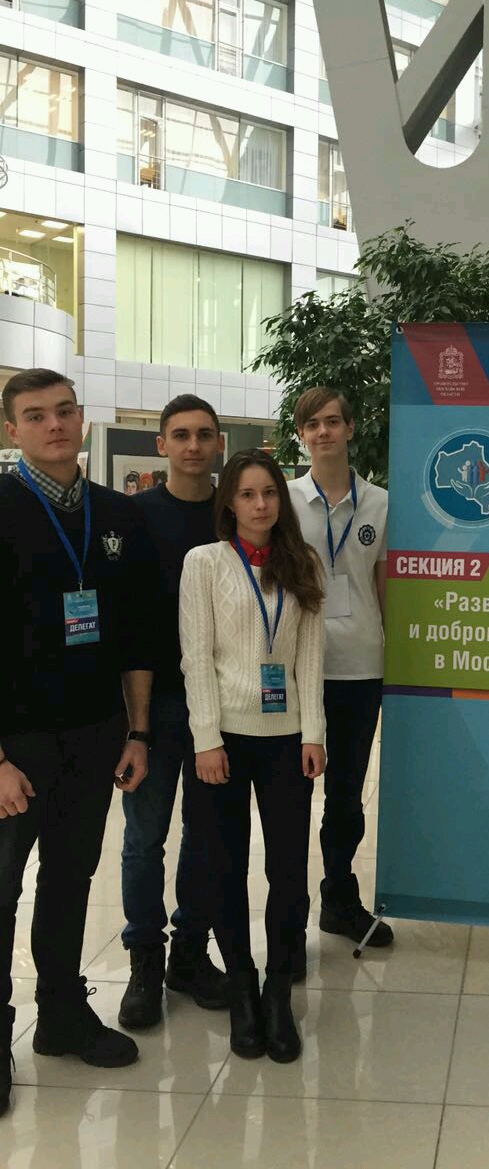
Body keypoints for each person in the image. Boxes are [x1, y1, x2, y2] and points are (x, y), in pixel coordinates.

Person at [0, 368, 156, 1118]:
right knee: (2, 889)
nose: (54, 424)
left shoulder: (116, 513)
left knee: (69, 878)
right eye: (36, 415)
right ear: (13, 431)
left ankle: (61, 1013)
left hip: (95, 735)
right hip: (16, 744)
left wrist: (137, 731)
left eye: (64, 411)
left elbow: (137, 634)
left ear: (82, 418)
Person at [180, 449, 326, 1063]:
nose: (260, 504)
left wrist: (314, 732)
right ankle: (241, 987)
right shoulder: (205, 563)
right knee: (224, 867)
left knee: (288, 871)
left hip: (288, 740)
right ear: (230, 503)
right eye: (247, 494)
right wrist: (206, 739)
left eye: (269, 492)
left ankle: (277, 991)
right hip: (225, 742)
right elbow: (196, 656)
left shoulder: (302, 562)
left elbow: (311, 656)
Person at [118, 395, 229, 1030]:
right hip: (153, 702)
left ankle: (189, 953)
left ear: (219, 444)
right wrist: (132, 725)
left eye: (204, 435)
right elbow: (125, 622)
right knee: (143, 839)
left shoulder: (236, 513)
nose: (193, 445)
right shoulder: (134, 517)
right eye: (181, 435)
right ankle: (144, 960)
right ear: (161, 445)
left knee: (206, 833)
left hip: (222, 702)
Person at [288, 388, 391, 949]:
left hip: (359, 667)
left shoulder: (380, 503)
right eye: (312, 424)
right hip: (295, 668)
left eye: (332, 421)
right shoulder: (282, 499)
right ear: (301, 434)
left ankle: (339, 898)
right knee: (288, 794)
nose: (323, 432)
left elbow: (384, 585)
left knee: (346, 794)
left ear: (351, 429)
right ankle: (288, 911)